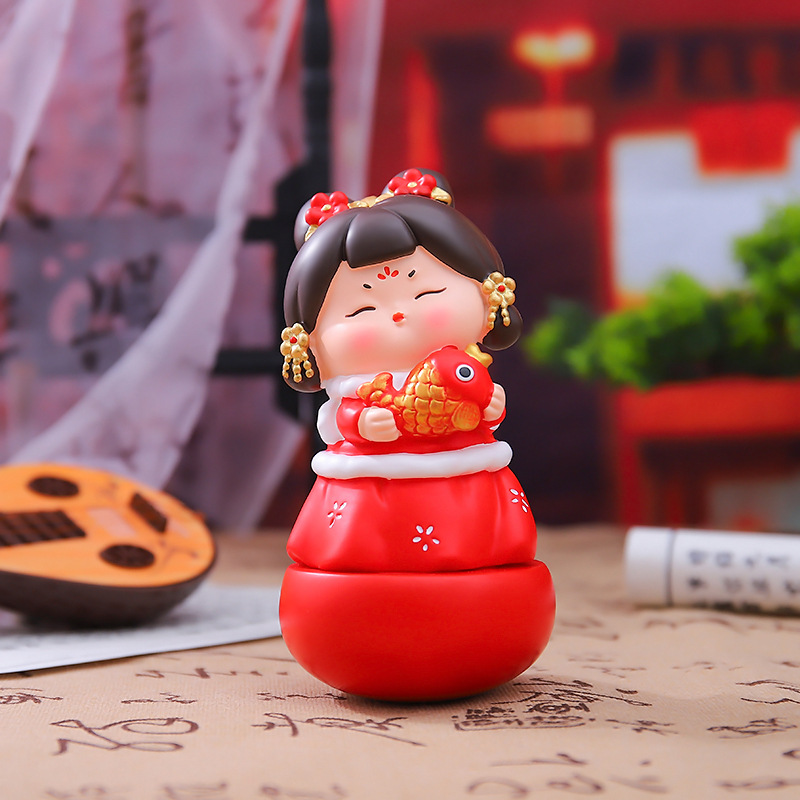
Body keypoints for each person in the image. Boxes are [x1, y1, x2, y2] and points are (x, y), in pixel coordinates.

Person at [279, 168, 554, 701]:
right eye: (362, 308)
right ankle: (364, 624)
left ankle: (482, 616)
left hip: (467, 487)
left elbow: (481, 407)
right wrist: (363, 422)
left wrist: (488, 406)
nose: (399, 313)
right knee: (355, 560)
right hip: (368, 496)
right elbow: (340, 417)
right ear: (307, 341)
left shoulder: (464, 372)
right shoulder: (358, 391)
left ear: (488, 298)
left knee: (486, 551)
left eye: (428, 291)